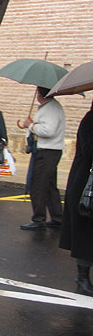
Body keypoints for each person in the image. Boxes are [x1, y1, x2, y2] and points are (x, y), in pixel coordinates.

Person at [59, 102, 93, 296]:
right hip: (86, 185)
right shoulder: (90, 120)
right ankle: (82, 277)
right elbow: (89, 150)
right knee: (86, 230)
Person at [20, 86, 65, 230]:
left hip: (47, 151)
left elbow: (48, 130)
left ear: (41, 94)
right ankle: (57, 217)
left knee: (38, 184)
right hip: (49, 150)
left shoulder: (51, 108)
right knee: (50, 185)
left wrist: (31, 125)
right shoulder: (48, 107)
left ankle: (38, 219)